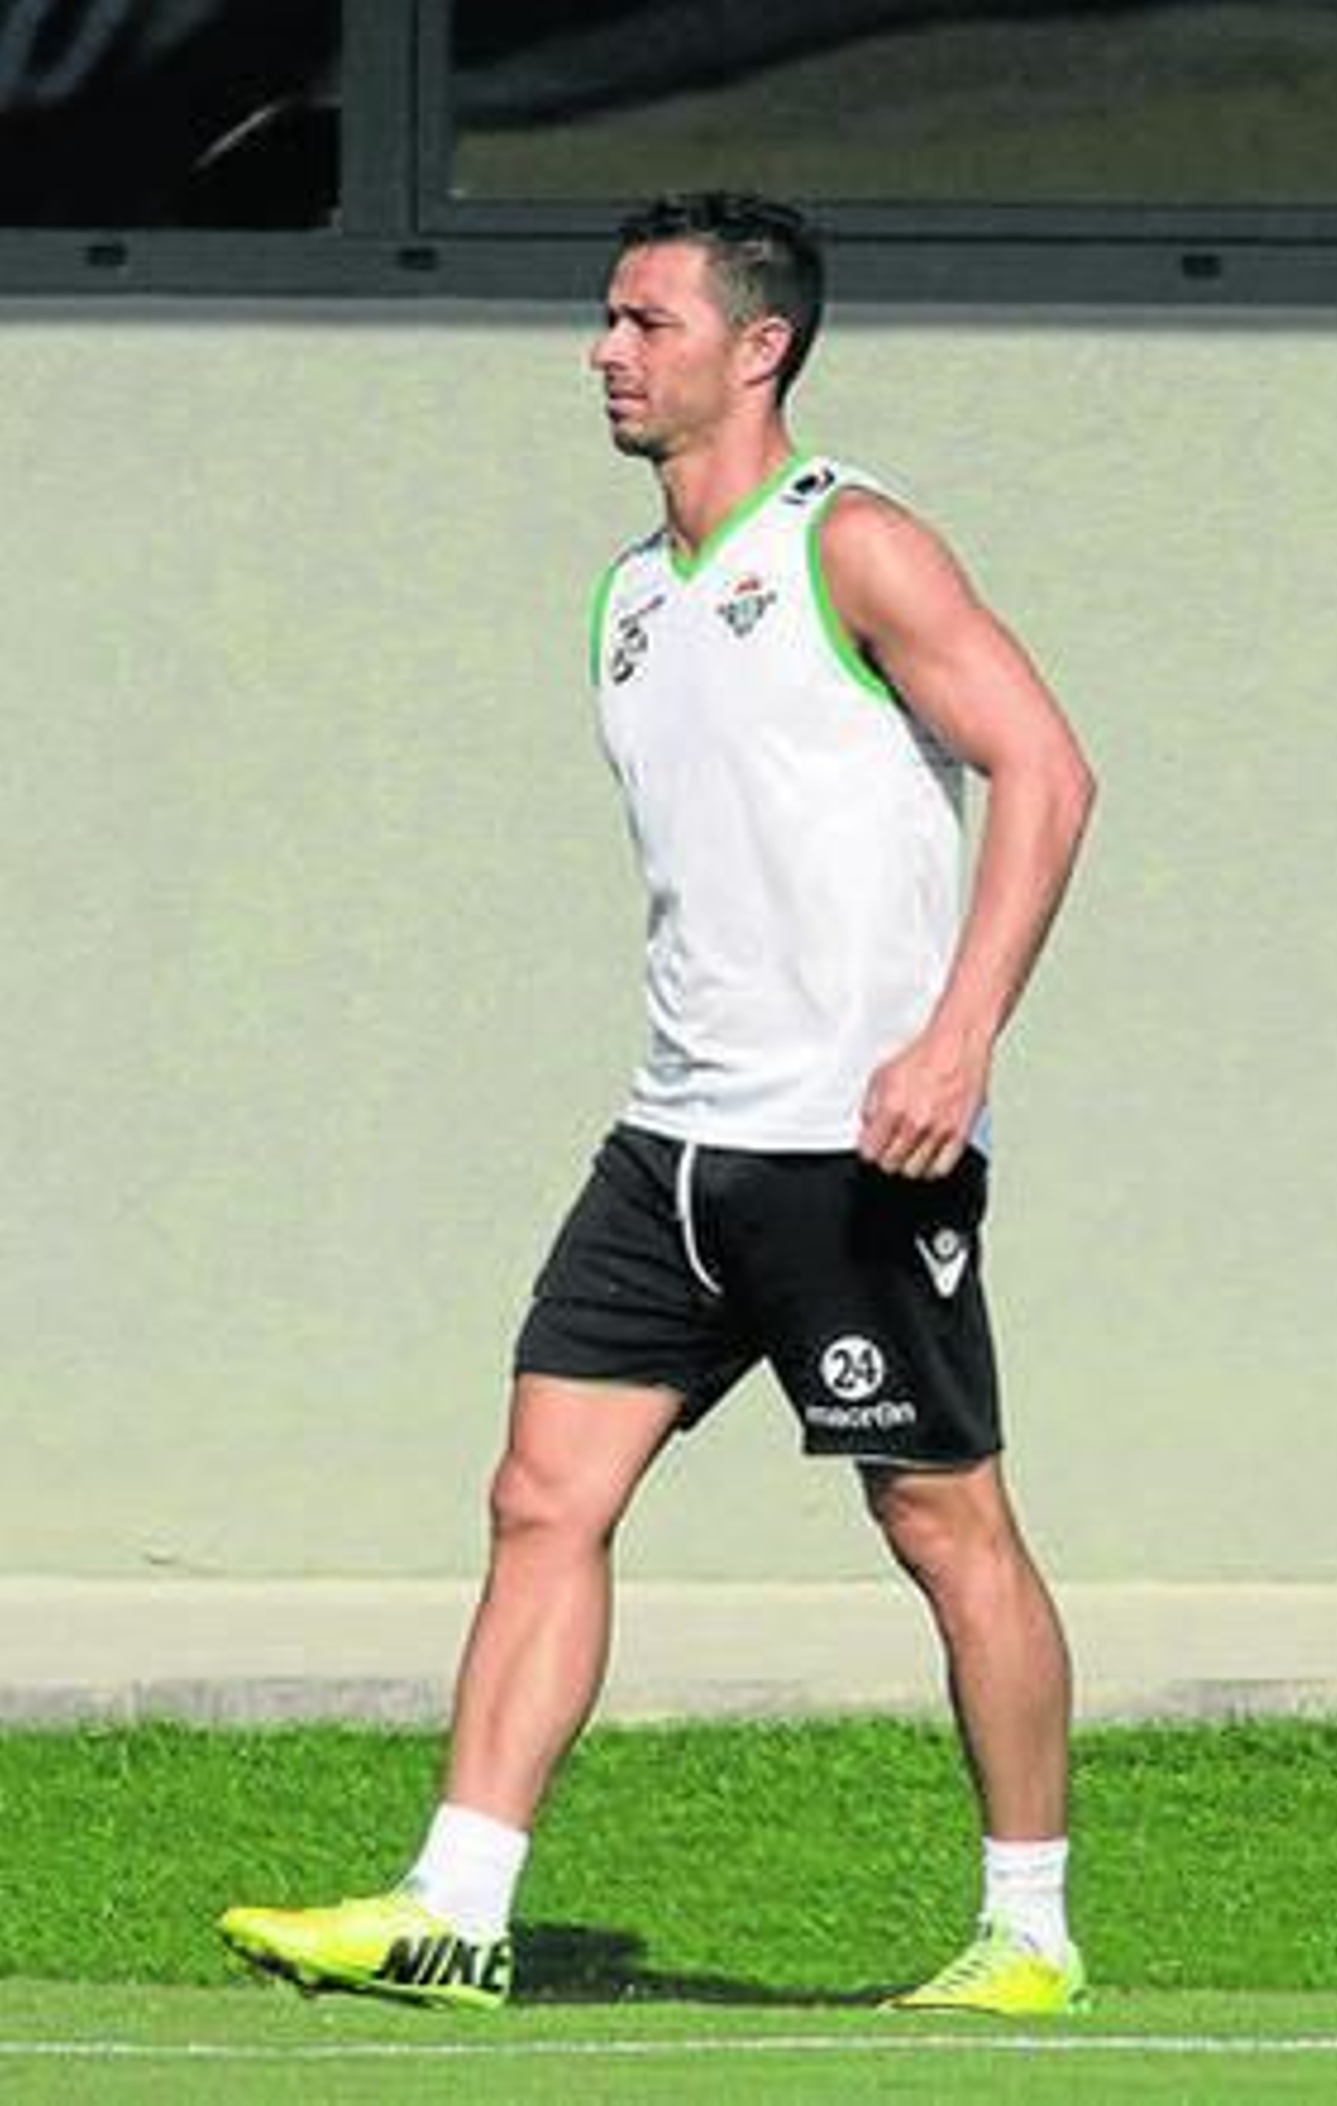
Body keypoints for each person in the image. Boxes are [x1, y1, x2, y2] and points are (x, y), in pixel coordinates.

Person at [219, 190, 1097, 2019]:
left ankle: (1029, 1932)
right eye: (606, 322)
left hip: (854, 1150)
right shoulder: (628, 597)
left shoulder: (856, 546)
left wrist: (962, 1039)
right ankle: (456, 1905)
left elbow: (1048, 768)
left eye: (646, 323)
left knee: (942, 1525)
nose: (607, 353)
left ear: (757, 345)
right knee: (543, 1496)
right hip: (668, 1148)